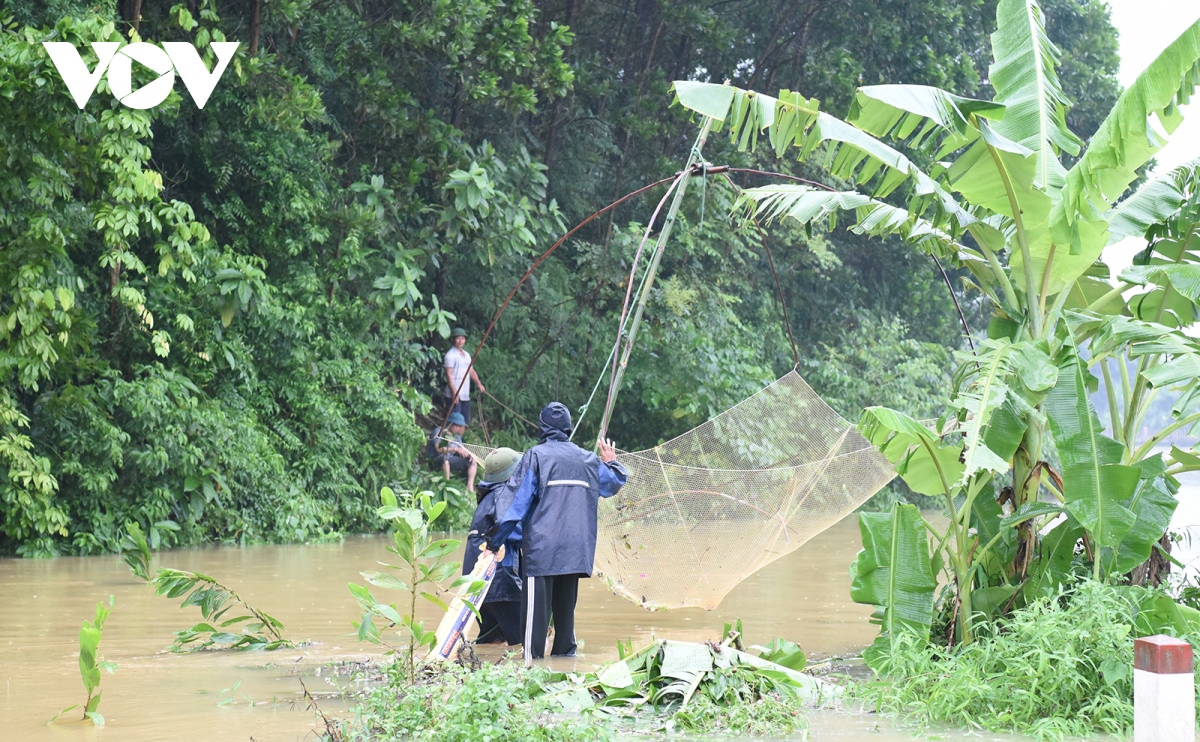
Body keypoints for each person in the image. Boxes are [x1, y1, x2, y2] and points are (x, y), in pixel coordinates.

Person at [487, 402, 627, 662]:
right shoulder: (587, 459)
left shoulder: (536, 457)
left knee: (533, 639)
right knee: (565, 629)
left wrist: (494, 543)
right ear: (569, 428)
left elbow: (513, 507)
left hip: (542, 553)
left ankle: (531, 675)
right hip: (576, 553)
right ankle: (566, 676)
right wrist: (613, 463)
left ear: (542, 428)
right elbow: (613, 483)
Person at [462, 447, 524, 646]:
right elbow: (515, 533)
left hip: (479, 583)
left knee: (492, 640)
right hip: (501, 583)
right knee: (523, 641)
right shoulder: (505, 497)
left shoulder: (488, 496)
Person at [427, 411, 477, 492]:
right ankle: (447, 485)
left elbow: (462, 449)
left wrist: (470, 455)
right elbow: (438, 449)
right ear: (451, 424)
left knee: (472, 461)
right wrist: (455, 449)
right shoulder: (439, 431)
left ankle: (469, 486)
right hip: (437, 458)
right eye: (457, 426)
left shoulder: (456, 436)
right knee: (445, 460)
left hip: (451, 459)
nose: (458, 428)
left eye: (460, 426)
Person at [444, 327, 485, 425]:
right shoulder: (450, 355)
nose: (460, 341)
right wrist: (454, 392)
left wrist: (479, 384)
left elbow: (471, 371)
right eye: (458, 338)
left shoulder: (466, 355)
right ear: (453, 339)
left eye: (462, 338)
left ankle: (461, 439)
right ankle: (451, 439)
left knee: (465, 421)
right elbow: (448, 375)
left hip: (465, 394)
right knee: (454, 422)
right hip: (454, 394)